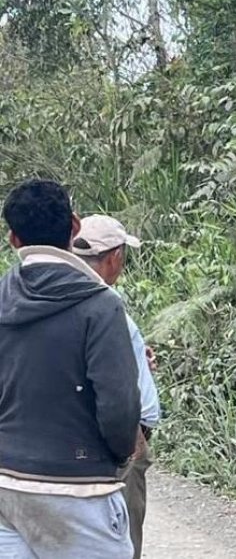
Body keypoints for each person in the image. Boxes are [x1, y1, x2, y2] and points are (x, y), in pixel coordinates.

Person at [0, 179, 140, 559]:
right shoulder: (101, 305)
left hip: (6, 486)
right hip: (79, 489)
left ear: (13, 239)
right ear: (74, 226)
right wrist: (118, 457)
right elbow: (120, 407)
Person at [73, 215, 161, 559]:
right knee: (121, 539)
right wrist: (132, 441)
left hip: (116, 437)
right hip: (124, 440)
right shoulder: (100, 303)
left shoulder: (85, 299)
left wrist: (139, 354)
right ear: (115, 256)